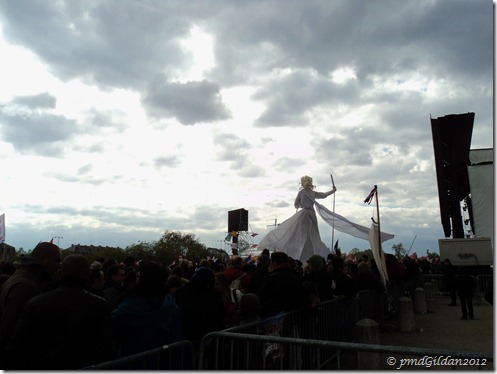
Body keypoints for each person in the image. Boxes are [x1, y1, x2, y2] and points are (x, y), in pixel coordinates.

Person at [3, 254, 114, 370]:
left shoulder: (37, 303)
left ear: (60, 273)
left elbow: (17, 345)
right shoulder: (100, 305)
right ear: (87, 275)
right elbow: (107, 347)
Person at [111, 262, 183, 364]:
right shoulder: (169, 303)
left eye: (138, 276)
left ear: (143, 279)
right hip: (161, 362)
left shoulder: (128, 307)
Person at [0, 242, 61, 361]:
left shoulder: (24, 276)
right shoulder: (26, 286)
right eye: (57, 261)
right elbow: (10, 330)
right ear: (44, 259)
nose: (59, 265)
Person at [257, 176, 336, 262]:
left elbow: (296, 204)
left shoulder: (302, 192)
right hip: (312, 214)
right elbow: (324, 195)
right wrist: (333, 190)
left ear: (302, 183)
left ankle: (300, 255)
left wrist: (301, 205)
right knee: (313, 235)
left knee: (299, 234)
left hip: (304, 214)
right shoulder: (312, 193)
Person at [174, 267, 225, 348]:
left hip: (186, 339)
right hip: (209, 340)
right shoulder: (213, 295)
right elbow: (221, 314)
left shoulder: (181, 292)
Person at [257, 252, 306, 317]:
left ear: (274, 262)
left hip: (274, 317)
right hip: (292, 317)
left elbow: (261, 295)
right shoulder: (295, 277)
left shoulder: (270, 278)